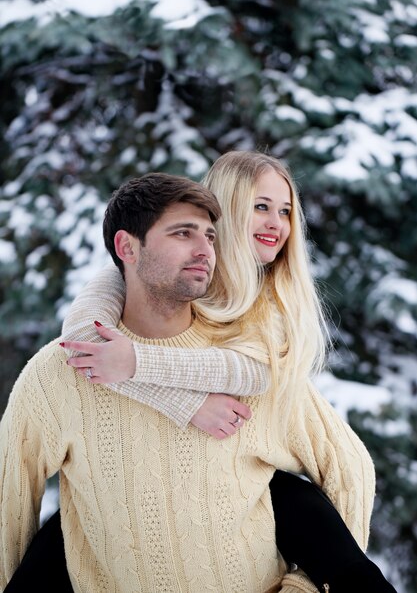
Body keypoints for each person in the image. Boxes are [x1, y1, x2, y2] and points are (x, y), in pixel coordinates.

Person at [0, 162, 394, 592]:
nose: (206, 248)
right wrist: (171, 393)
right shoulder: (69, 366)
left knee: (290, 498)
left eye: (209, 235)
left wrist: (303, 587)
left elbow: (338, 457)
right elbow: (8, 500)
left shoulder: (254, 339)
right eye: (183, 233)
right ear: (127, 249)